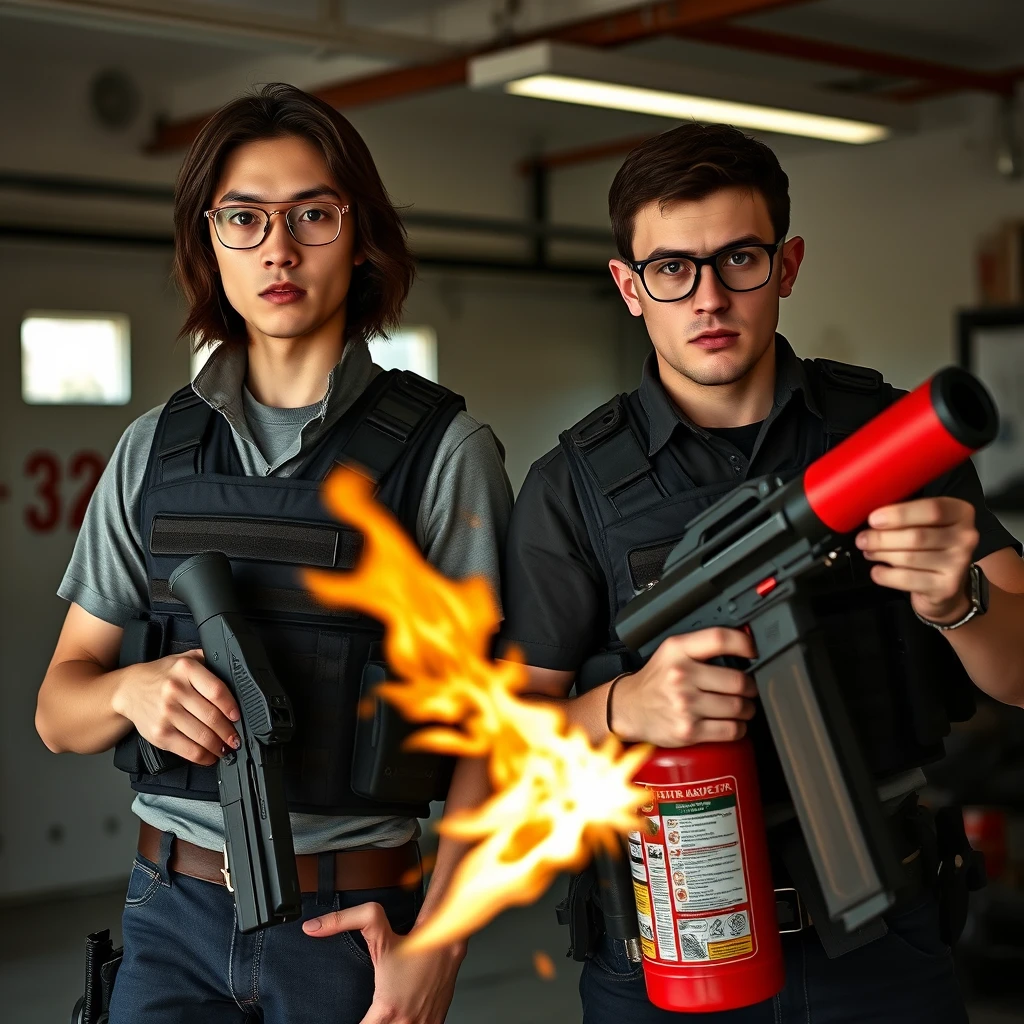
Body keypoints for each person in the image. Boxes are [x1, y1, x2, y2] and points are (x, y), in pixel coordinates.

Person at [497, 122, 1024, 1023]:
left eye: (739, 258)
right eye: (672, 268)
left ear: (786, 265)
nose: (709, 298)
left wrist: (960, 600)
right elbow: (506, 749)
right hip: (669, 944)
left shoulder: (888, 440)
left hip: (887, 935)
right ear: (630, 286)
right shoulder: (569, 487)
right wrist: (624, 707)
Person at [35, 83, 512, 1024]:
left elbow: (492, 738)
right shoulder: (152, 450)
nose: (278, 249)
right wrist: (128, 691)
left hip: (353, 920)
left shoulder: (443, 454)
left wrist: (440, 947)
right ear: (209, 242)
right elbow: (60, 708)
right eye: (244, 218)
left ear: (361, 233)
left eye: (313, 215)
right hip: (168, 916)